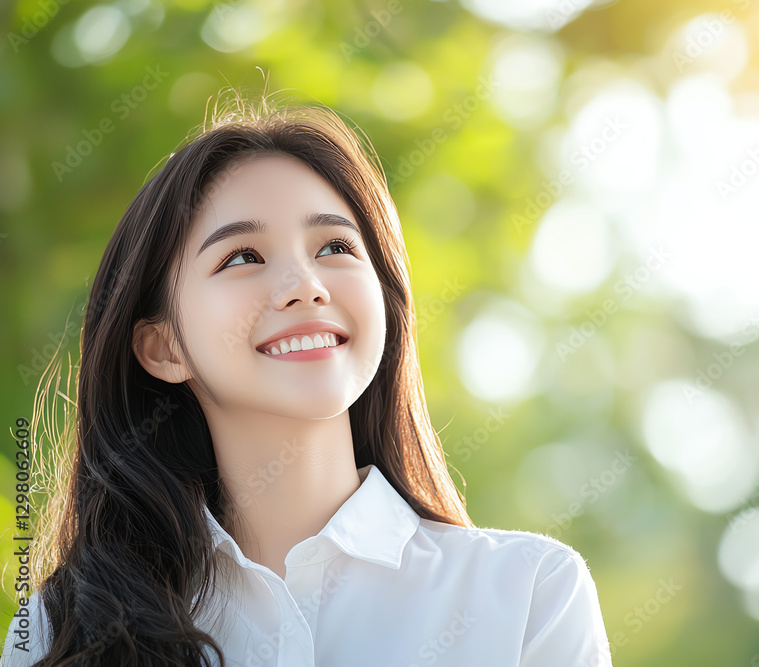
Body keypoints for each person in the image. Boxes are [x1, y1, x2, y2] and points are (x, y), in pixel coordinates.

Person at [1, 94, 612, 666]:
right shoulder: (59, 633)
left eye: (335, 247)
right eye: (243, 257)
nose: (306, 284)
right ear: (163, 347)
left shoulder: (529, 593)